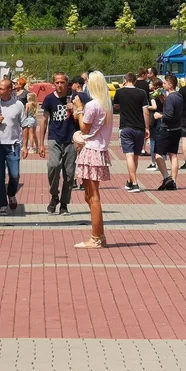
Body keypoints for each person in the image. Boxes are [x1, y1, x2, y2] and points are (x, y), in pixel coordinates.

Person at [71, 71, 114, 249]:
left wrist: (79, 108)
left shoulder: (93, 105)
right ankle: (99, 236)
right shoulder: (106, 105)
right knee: (90, 195)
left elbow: (84, 127)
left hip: (91, 150)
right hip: (100, 150)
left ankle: (96, 237)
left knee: (93, 196)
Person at [40, 73, 89, 215]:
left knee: (69, 173)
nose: (60, 85)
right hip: (54, 137)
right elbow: (43, 120)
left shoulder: (76, 97)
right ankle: (54, 194)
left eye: (62, 82)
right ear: (53, 84)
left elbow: (91, 107)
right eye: (57, 82)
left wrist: (77, 109)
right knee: (53, 165)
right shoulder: (49, 99)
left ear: (67, 84)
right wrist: (41, 144)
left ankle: (64, 204)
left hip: (71, 138)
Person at [0, 78, 26, 214]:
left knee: (15, 175)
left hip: (13, 145)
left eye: (2, 89)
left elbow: (24, 125)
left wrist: (25, 145)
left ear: (10, 90)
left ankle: (11, 193)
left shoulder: (18, 105)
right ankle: (2, 204)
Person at [113, 72, 150, 192]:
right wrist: (147, 128)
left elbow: (116, 106)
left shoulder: (120, 92)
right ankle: (130, 180)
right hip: (139, 127)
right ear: (135, 81)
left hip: (125, 127)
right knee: (136, 156)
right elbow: (146, 112)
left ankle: (134, 183)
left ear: (125, 80)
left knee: (129, 155)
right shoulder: (142, 93)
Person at [155, 74, 184, 190]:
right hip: (177, 129)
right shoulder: (179, 96)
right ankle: (174, 181)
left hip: (167, 129)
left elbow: (169, 115)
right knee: (173, 154)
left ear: (170, 84)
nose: (163, 85)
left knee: (157, 154)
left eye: (165, 83)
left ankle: (167, 177)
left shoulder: (171, 98)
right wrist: (164, 101)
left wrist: (159, 115)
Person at [147, 77, 166, 167]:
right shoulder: (162, 94)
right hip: (162, 117)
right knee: (161, 139)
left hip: (154, 118)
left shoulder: (152, 95)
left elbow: (154, 106)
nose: (149, 85)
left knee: (153, 140)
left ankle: (153, 162)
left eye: (150, 83)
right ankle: (162, 159)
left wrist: (146, 107)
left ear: (154, 86)